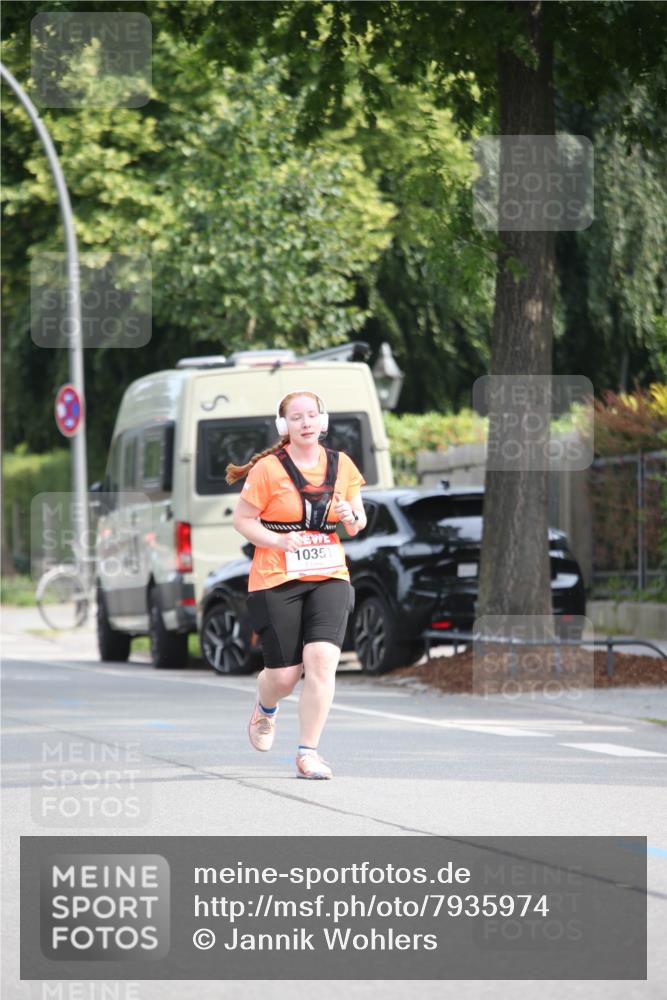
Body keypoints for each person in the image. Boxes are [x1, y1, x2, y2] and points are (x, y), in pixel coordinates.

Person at [226, 390, 367, 780]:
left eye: (311, 415)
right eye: (296, 416)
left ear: (323, 421)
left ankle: (308, 752)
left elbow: (357, 524)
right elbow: (243, 520)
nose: (305, 422)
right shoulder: (268, 470)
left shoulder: (342, 465)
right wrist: (277, 540)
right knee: (285, 677)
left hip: (330, 575)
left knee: (321, 661)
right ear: (283, 426)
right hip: (276, 576)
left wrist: (348, 512)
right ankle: (265, 706)